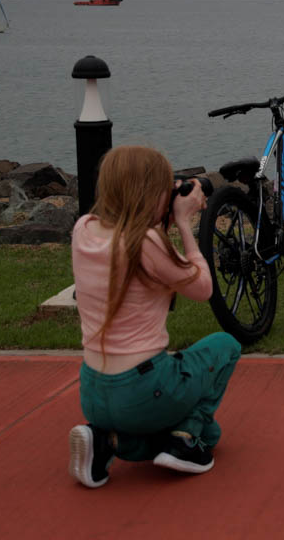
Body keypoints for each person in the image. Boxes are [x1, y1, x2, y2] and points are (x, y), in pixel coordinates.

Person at [67, 145, 241, 489]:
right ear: (150, 191)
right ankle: (182, 439)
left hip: (93, 393)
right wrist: (183, 222)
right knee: (225, 347)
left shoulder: (83, 228)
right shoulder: (146, 242)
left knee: (212, 430)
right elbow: (203, 288)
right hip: (144, 390)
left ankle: (107, 442)